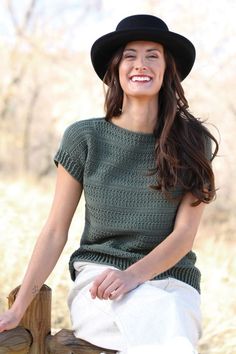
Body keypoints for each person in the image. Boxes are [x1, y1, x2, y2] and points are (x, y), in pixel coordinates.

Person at [0, 14, 218, 354]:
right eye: (129, 55)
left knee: (169, 323)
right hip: (100, 279)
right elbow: (56, 230)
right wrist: (19, 306)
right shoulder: (84, 137)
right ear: (116, 68)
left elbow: (183, 236)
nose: (140, 64)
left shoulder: (194, 142)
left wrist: (134, 276)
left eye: (152, 55)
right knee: (166, 338)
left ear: (167, 69)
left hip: (174, 282)